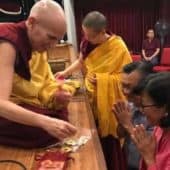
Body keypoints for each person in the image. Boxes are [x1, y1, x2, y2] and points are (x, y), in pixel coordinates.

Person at [56, 11, 132, 170]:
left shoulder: (118, 47)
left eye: (90, 36)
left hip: (109, 102)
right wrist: (65, 73)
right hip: (91, 97)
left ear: (103, 32)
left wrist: (103, 80)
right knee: (93, 133)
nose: (87, 39)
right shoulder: (86, 43)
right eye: (85, 34)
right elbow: (80, 61)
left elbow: (128, 78)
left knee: (109, 140)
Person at [0, 0, 77, 148]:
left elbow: (44, 81)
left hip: (17, 100)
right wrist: (44, 121)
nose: (53, 46)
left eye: (58, 40)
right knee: (44, 129)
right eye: (51, 38)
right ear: (31, 22)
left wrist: (55, 96)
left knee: (60, 119)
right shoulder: (8, 43)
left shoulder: (33, 43)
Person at [114, 72, 170, 170]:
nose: (142, 110)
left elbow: (147, 156)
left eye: (144, 106)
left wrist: (148, 157)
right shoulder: (160, 127)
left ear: (164, 108)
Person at [119, 62, 153, 170]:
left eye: (128, 87)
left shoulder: (155, 111)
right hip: (127, 162)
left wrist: (127, 124)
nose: (124, 92)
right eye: (122, 85)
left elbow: (149, 148)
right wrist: (121, 122)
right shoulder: (130, 104)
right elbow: (119, 134)